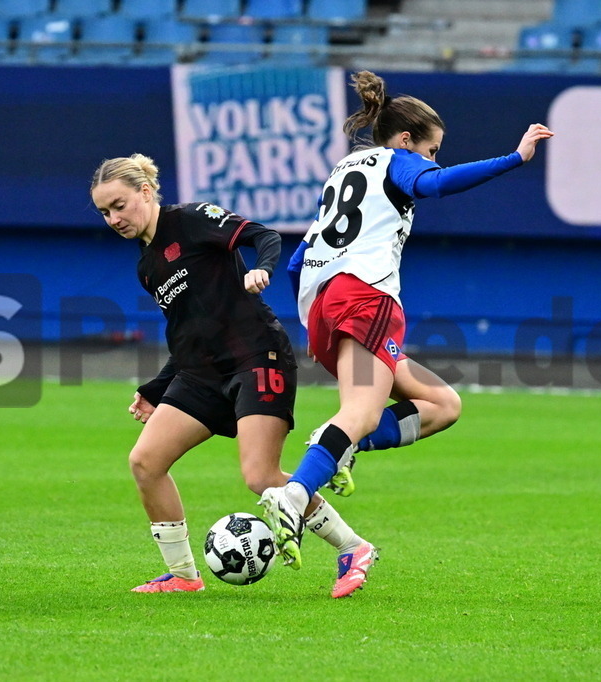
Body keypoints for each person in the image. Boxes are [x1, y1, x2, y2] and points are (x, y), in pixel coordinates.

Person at [258, 71, 553, 581]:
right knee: (361, 412)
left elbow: (295, 260)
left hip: (323, 303)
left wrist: (313, 323)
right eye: (430, 149)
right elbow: (433, 184)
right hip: (366, 296)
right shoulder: (398, 162)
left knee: (442, 404)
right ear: (405, 139)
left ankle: (338, 443)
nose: (430, 159)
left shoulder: (344, 169)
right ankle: (295, 492)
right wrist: (515, 159)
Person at [90, 153, 376, 597]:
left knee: (261, 476)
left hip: (256, 356)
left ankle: (353, 548)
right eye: (105, 212)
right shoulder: (148, 267)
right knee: (145, 462)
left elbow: (264, 235)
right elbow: (191, 333)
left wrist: (261, 267)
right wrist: (156, 389)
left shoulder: (190, 219)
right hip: (202, 373)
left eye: (119, 205)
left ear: (145, 192)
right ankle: (184, 576)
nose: (113, 218)